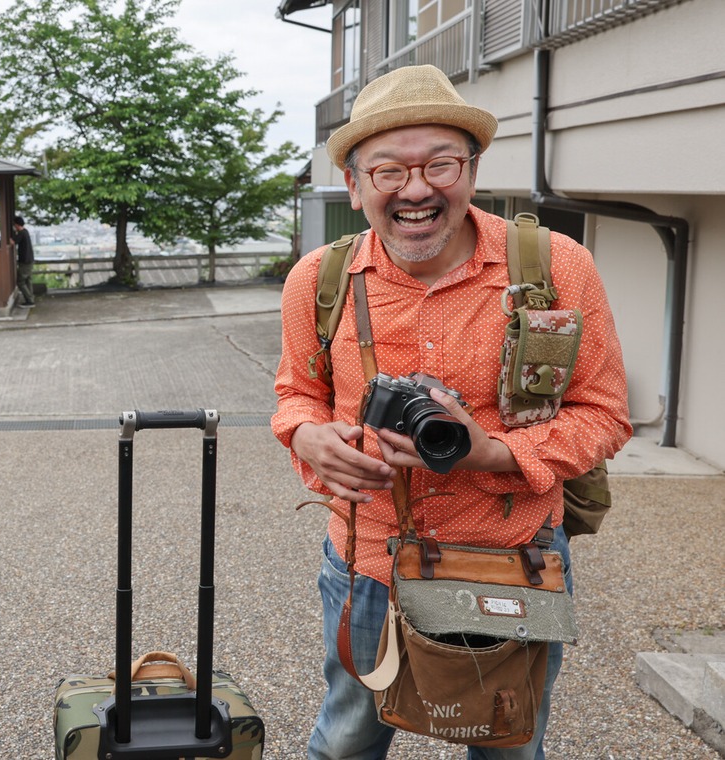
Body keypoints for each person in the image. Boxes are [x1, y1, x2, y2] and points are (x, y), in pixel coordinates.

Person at [271, 65, 632, 760]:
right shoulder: (316, 281)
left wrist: (490, 452)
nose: (416, 189)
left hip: (513, 560)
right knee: (345, 738)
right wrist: (309, 436)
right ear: (354, 183)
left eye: (440, 164)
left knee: (507, 743)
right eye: (388, 171)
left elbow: (607, 415)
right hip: (368, 559)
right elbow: (296, 394)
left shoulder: (557, 268)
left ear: (471, 169)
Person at [12, 215, 35, 306]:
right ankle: (30, 298)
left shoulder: (21, 233)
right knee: (28, 280)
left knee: (20, 281)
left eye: (14, 225)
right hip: (30, 259)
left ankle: (29, 300)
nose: (14, 227)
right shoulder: (25, 232)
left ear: (17, 225)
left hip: (25, 261)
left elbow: (13, 242)